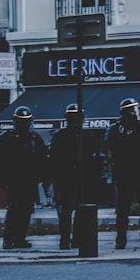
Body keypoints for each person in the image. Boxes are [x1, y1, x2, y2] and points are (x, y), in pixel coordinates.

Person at [105, 98, 140, 249]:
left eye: (136, 110)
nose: (135, 113)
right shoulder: (116, 129)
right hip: (125, 174)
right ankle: (121, 238)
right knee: (123, 209)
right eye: (133, 110)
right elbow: (110, 149)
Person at [0, 106, 48, 250]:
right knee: (14, 209)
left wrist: (41, 177)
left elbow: (42, 158)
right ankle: (8, 239)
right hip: (14, 179)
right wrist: (1, 180)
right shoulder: (6, 138)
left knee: (26, 210)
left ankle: (20, 238)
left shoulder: (35, 138)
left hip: (29, 179)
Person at [49, 104, 100, 250]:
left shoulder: (85, 136)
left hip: (78, 179)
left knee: (75, 211)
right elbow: (55, 159)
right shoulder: (62, 136)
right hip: (68, 179)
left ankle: (71, 238)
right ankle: (68, 238)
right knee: (68, 211)